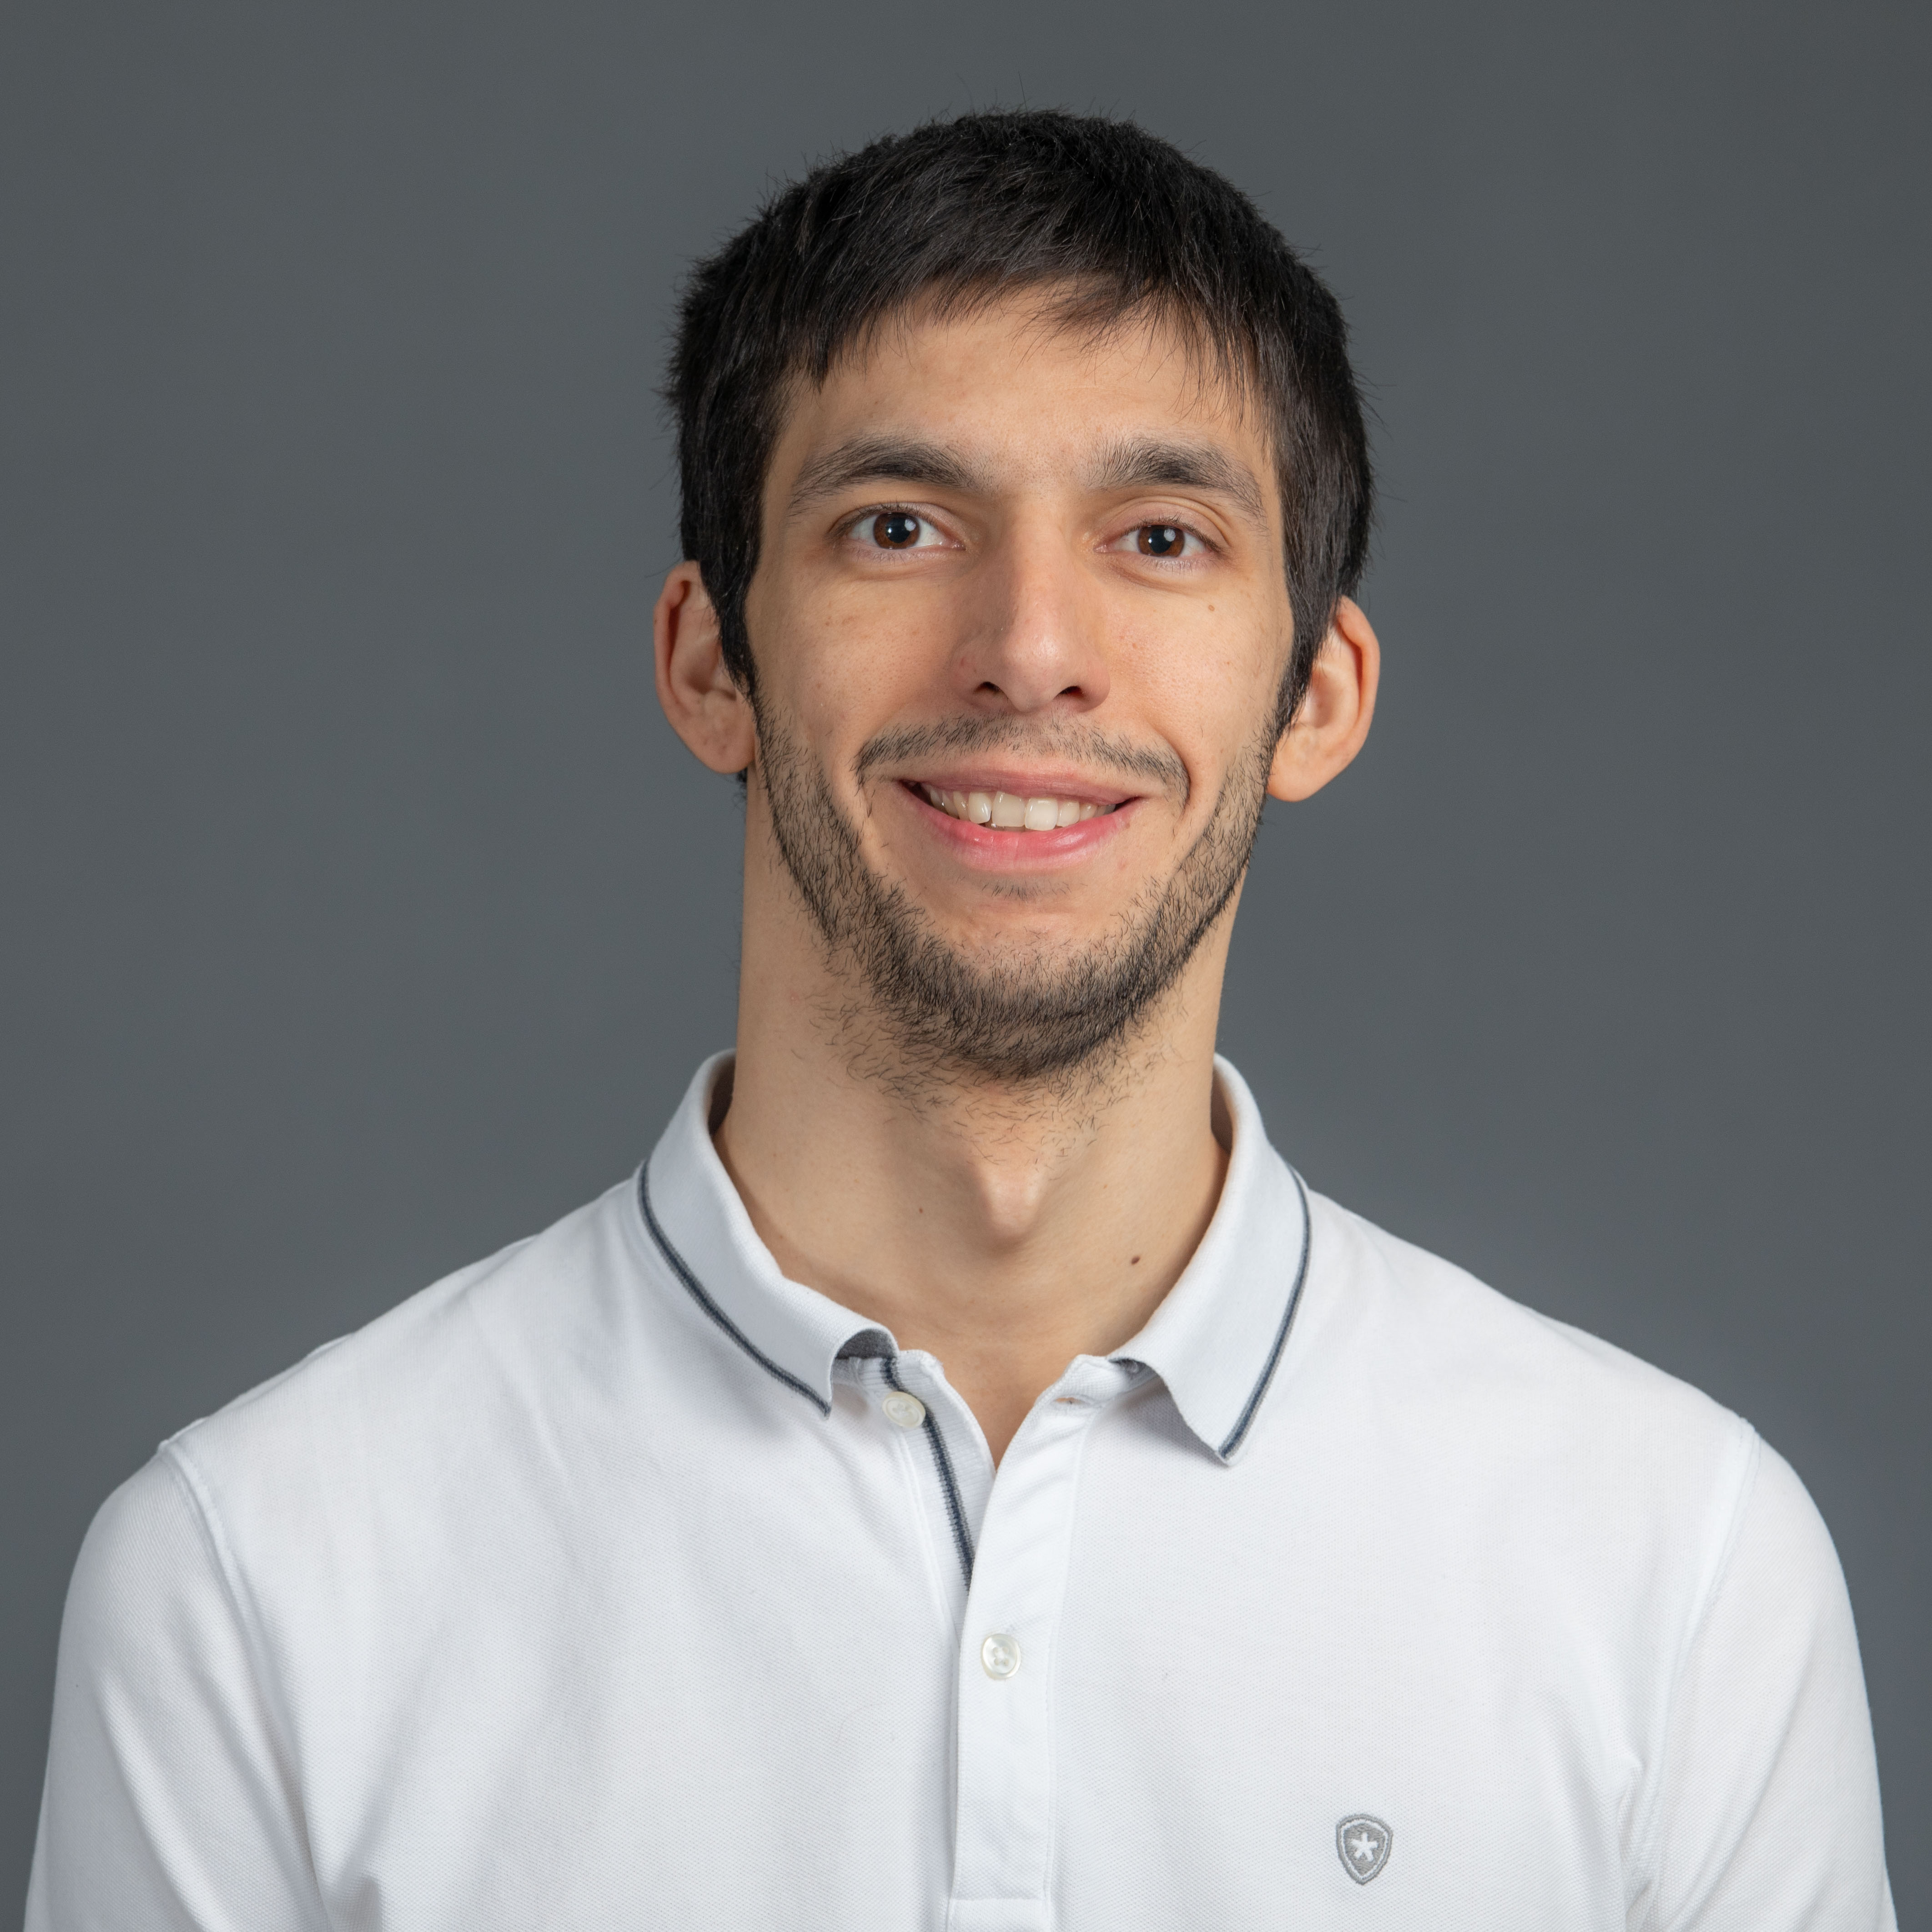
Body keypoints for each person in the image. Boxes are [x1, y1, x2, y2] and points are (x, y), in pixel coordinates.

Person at [27, 110, 1893, 1931]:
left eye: (1160, 538)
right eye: (902, 525)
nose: (1029, 649)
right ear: (710, 659)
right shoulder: (256, 1581)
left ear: (1318, 694)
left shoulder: (1677, 1570)